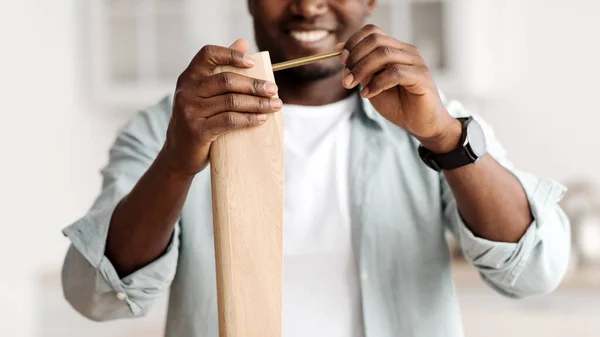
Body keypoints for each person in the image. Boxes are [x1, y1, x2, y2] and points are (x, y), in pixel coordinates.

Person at [61, 0, 571, 336]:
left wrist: (443, 136)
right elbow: (95, 297)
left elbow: (535, 273)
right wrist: (177, 158)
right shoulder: (170, 126)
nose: (307, 5)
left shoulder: (433, 116)